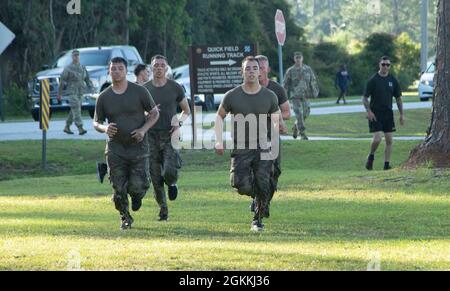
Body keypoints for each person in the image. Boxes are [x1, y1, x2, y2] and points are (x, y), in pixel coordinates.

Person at [215, 56, 287, 232]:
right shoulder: (232, 96)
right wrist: (218, 140)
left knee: (263, 183)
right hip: (241, 147)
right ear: (242, 72)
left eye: (255, 68)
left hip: (264, 146)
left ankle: (258, 219)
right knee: (239, 184)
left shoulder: (269, 96)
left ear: (260, 71)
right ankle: (259, 198)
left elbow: (277, 117)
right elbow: (219, 117)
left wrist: (280, 126)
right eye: (248, 68)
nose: (252, 71)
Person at [93, 57, 160, 230]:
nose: (116, 71)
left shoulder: (139, 91)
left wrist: (143, 130)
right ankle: (125, 217)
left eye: (120, 68)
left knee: (137, 186)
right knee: (118, 188)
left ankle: (137, 197)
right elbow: (96, 122)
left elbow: (154, 114)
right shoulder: (104, 97)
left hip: (138, 148)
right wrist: (104, 128)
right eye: (113, 69)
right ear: (109, 71)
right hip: (115, 149)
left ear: (126, 71)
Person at [143, 55, 191, 221]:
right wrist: (147, 113)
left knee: (169, 171)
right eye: (156, 65)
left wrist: (178, 123)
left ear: (167, 68)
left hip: (170, 134)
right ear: (151, 68)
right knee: (155, 176)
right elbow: (138, 112)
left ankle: (172, 183)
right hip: (151, 135)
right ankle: (163, 212)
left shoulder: (175, 87)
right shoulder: (145, 89)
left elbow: (186, 110)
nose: (158, 68)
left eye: (162, 65)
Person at [254, 55, 290, 216]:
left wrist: (273, 116)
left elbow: (287, 113)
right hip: (252, 137)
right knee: (255, 171)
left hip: (272, 136)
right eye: (257, 67)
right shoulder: (246, 89)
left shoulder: (277, 89)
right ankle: (257, 201)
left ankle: (265, 201)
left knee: (274, 172)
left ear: (268, 69)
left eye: (262, 67)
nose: (259, 70)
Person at [363, 56, 404, 171]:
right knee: (377, 139)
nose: (385, 67)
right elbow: (365, 98)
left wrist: (401, 114)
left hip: (388, 114)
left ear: (390, 66)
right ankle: (371, 156)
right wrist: (369, 111)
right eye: (383, 64)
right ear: (379, 65)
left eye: (387, 65)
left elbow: (398, 98)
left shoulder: (392, 80)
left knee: (389, 140)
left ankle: (386, 165)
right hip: (375, 114)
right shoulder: (373, 80)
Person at [283, 52, 319, 140]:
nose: (298, 59)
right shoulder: (290, 71)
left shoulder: (307, 69)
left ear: (302, 58)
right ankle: (303, 134)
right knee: (299, 114)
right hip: (295, 96)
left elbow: (313, 81)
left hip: (306, 95)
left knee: (306, 113)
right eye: (296, 57)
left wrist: (315, 91)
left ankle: (296, 125)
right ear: (294, 59)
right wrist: (283, 97)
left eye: (299, 57)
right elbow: (285, 84)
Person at [58, 49, 93, 135]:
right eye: (74, 55)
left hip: (80, 92)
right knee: (76, 108)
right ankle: (80, 128)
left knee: (74, 109)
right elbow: (62, 81)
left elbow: (87, 79)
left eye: (77, 55)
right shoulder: (68, 68)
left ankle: (67, 126)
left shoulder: (82, 67)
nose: (76, 57)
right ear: (72, 57)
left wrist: (91, 88)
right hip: (72, 92)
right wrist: (59, 93)